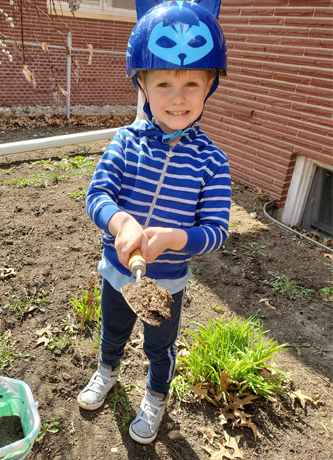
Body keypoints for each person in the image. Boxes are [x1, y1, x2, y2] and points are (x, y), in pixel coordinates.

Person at [77, 0, 231, 445]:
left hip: (169, 282)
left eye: (191, 84)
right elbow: (97, 194)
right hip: (117, 272)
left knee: (159, 346)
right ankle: (106, 371)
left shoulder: (213, 162)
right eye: (163, 82)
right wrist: (120, 221)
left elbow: (217, 230)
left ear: (210, 87)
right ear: (142, 84)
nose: (178, 97)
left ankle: (156, 396)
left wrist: (179, 237)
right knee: (113, 329)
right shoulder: (125, 143)